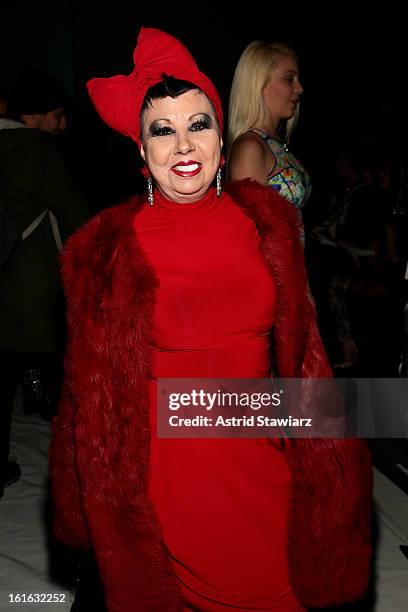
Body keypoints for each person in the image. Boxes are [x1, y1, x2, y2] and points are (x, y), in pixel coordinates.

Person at [49, 28, 372, 612]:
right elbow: (91, 400)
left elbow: (303, 357)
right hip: (176, 479)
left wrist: (327, 453)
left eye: (197, 124)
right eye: (162, 130)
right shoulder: (107, 250)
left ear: (221, 140)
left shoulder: (266, 223)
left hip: (264, 459)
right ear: (141, 152)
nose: (182, 145)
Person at [0, 68, 90, 497]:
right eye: (56, 115)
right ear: (32, 116)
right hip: (34, 291)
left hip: (4, 285)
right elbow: (77, 217)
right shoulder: (38, 151)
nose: (63, 125)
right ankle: (75, 471)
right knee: (64, 372)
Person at [227, 41, 311, 228]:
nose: (299, 88)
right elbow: (251, 235)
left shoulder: (274, 144)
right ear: (259, 85)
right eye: (289, 79)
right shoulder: (250, 147)